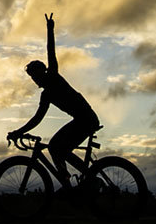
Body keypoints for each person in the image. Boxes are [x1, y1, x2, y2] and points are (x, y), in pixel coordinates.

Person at [7, 14, 100, 186]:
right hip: (83, 119)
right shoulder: (46, 95)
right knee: (58, 148)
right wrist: (19, 131)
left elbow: (51, 51)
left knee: (56, 148)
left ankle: (79, 180)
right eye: (32, 77)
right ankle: (72, 180)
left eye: (34, 75)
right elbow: (37, 119)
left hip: (86, 119)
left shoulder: (53, 78)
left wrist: (50, 29)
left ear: (41, 73)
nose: (34, 80)